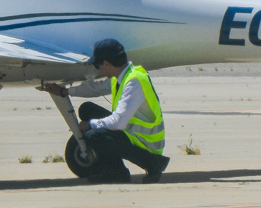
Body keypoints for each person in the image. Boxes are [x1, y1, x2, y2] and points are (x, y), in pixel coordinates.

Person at [44, 39, 169, 184]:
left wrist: (91, 124)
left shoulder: (133, 82)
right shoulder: (125, 75)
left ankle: (146, 166)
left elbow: (118, 123)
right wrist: (64, 91)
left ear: (106, 64)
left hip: (147, 143)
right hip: (131, 132)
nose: (98, 69)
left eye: (97, 65)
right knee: (87, 109)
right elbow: (95, 88)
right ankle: (114, 169)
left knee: (94, 135)